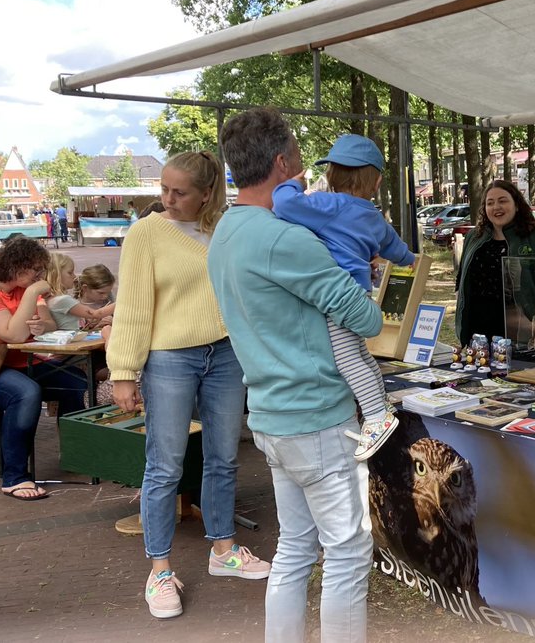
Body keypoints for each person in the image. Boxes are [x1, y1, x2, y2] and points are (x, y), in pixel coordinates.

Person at [210, 107, 383, 643]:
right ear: (282, 162)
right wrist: (365, 281)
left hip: (270, 414)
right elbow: (368, 319)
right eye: (300, 152)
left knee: (294, 550)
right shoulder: (286, 240)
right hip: (316, 420)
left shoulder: (226, 232)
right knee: (349, 553)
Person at [109, 150, 269, 620]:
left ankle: (224, 548)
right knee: (165, 464)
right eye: (164, 188)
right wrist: (123, 371)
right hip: (169, 357)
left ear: (207, 193)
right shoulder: (147, 232)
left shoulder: (222, 229)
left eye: (179, 192)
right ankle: (159, 568)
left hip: (224, 353)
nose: (167, 199)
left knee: (223, 457)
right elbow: (135, 305)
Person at [273, 133, 415, 461]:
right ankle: (383, 405)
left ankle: (377, 418)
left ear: (332, 174)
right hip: (361, 292)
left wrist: (294, 183)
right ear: (376, 181)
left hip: (337, 293)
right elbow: (398, 250)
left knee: (346, 359)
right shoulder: (374, 216)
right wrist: (409, 261)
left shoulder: (328, 204)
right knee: (360, 355)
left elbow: (284, 205)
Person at [0, 237, 87, 500]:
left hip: (26, 362)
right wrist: (33, 293)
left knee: (75, 381)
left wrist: (40, 327)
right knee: (25, 393)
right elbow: (11, 335)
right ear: (18, 267)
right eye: (37, 270)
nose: (41, 276)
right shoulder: (5, 291)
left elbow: (48, 324)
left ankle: (76, 454)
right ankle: (15, 476)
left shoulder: (24, 289)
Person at [454, 179, 535, 347]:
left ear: (517, 205)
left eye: (503, 201)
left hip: (523, 331)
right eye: (490, 203)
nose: (496, 207)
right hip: (478, 334)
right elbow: (461, 279)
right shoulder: (474, 238)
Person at [43, 255, 115, 331]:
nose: (74, 276)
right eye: (70, 273)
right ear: (57, 275)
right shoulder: (63, 300)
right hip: (72, 340)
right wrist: (122, 302)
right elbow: (96, 314)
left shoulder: (50, 298)